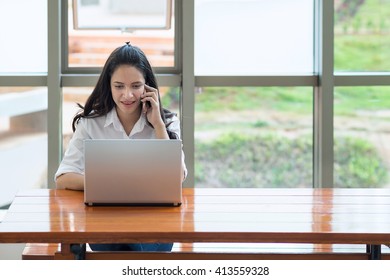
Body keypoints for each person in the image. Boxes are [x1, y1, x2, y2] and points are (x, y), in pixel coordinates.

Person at [55, 42, 187, 252]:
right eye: (119, 86)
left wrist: (158, 126)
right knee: (121, 244)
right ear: (108, 85)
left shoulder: (167, 122)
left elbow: (176, 178)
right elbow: (63, 178)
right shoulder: (91, 123)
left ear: (147, 87)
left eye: (136, 86)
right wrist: (111, 185)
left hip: (155, 222)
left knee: (133, 247)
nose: (128, 95)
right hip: (106, 220)